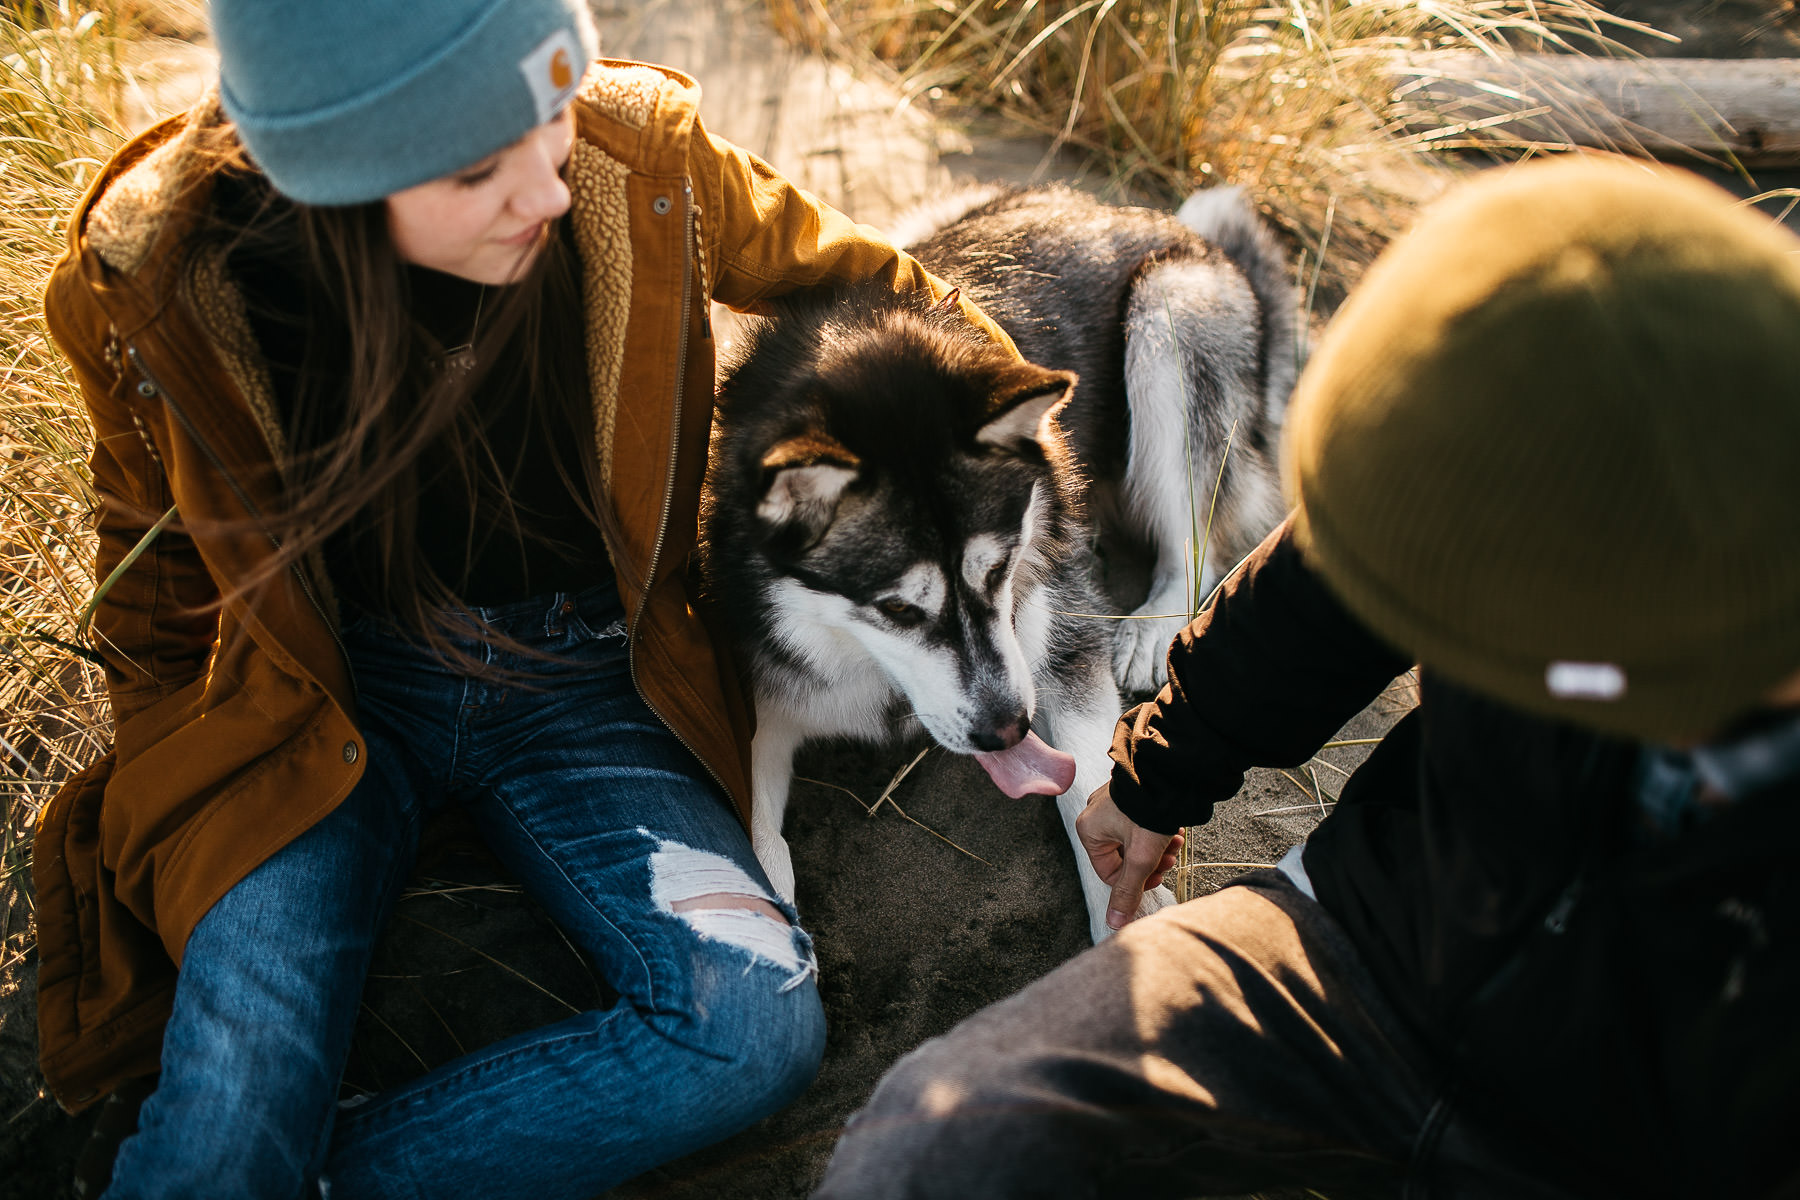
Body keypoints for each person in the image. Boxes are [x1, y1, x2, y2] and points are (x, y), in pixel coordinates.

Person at [33, 1, 1018, 1196]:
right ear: (337, 184)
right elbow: (149, 570)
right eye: (476, 168)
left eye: (550, 115)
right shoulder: (160, 286)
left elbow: (880, 283)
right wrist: (175, 774)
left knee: (751, 1029)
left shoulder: (635, 160)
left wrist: (993, 473)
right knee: (235, 1104)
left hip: (596, 683)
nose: (545, 191)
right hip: (330, 703)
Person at [812, 156, 1800, 1199]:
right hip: (1374, 940)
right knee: (936, 1147)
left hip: (1640, 1143)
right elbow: (1332, 579)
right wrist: (1160, 772)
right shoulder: (1519, 456)